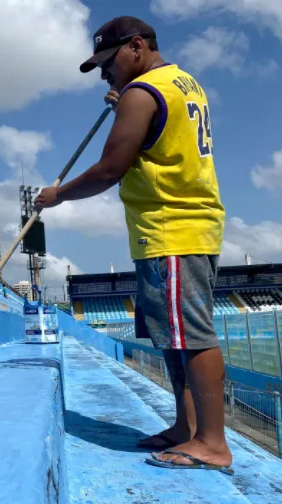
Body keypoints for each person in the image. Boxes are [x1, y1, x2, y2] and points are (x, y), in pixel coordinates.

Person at [34, 16, 231, 474]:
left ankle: (212, 442)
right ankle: (186, 429)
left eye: (108, 63)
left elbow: (110, 168)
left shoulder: (142, 94)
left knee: (193, 338)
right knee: (174, 339)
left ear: (136, 47)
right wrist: (125, 98)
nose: (105, 74)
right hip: (176, 230)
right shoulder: (181, 83)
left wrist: (57, 195)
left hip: (174, 229)